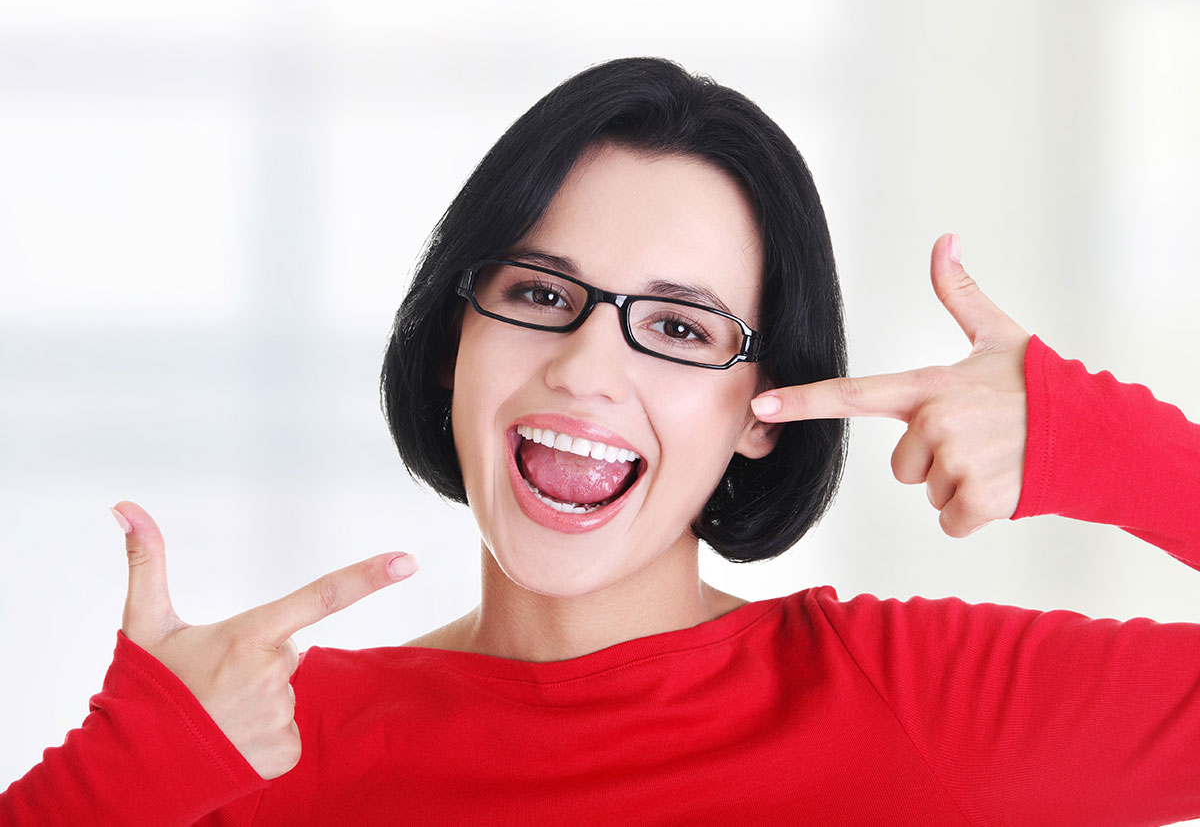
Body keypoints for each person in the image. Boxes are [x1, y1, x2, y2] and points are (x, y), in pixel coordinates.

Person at [3, 57, 1199, 825]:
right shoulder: (245, 756)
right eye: (536, 294)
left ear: (760, 416)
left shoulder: (911, 699)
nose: (587, 366)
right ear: (447, 347)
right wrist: (117, 786)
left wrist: (1105, 447)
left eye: (679, 326)